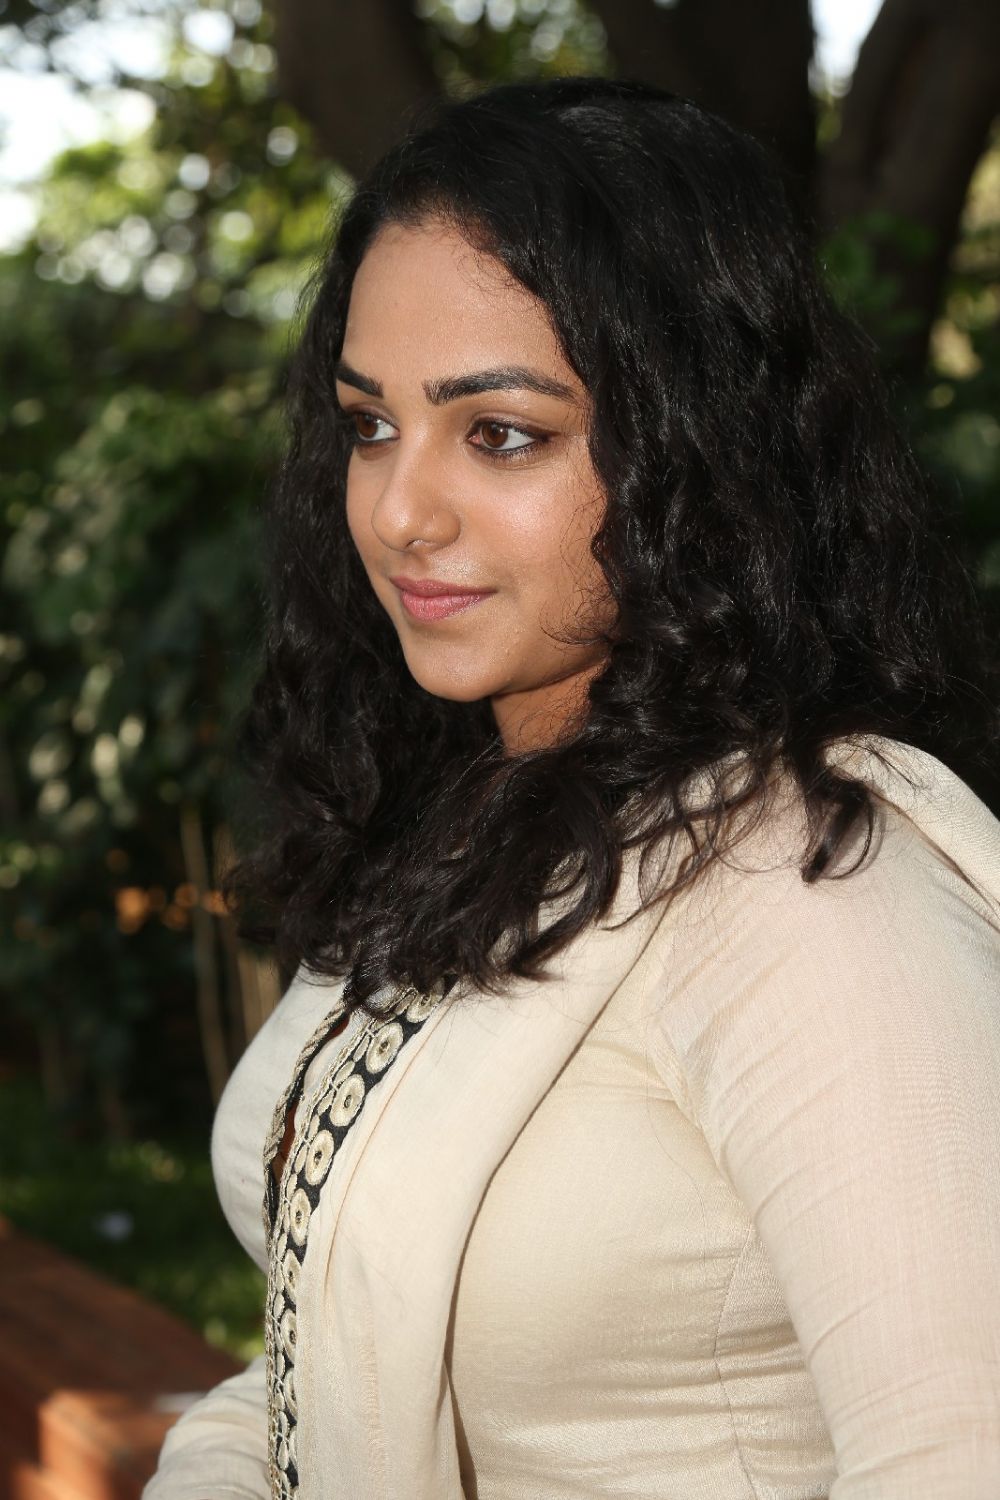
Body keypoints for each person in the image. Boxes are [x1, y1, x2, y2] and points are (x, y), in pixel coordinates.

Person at [143, 78, 1000, 1500]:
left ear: (698, 445)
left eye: (501, 433)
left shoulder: (806, 888)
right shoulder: (479, 809)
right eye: (369, 424)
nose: (398, 511)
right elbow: (325, 1344)